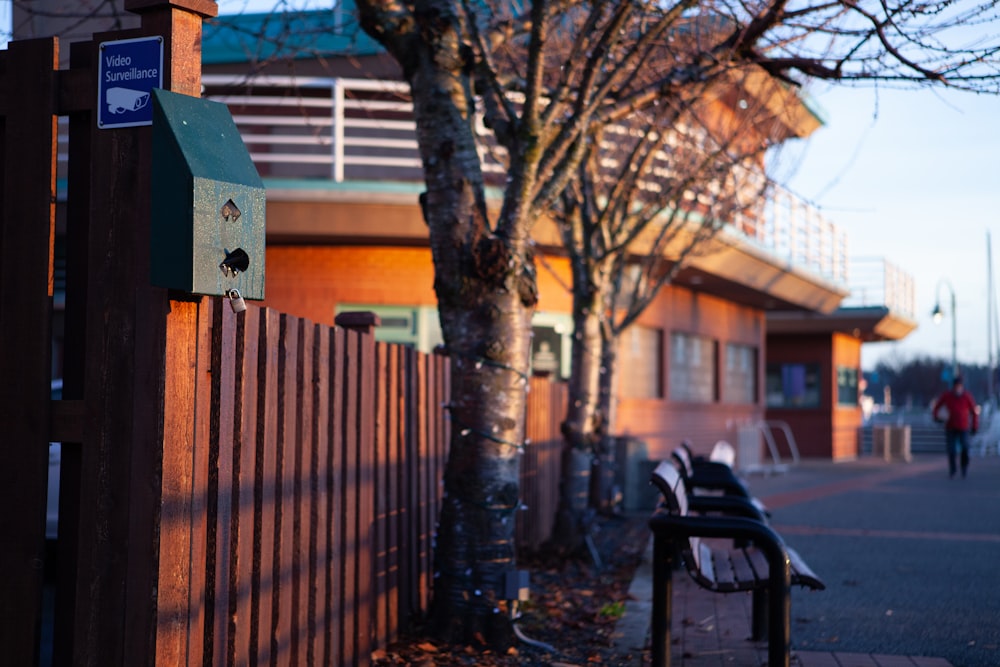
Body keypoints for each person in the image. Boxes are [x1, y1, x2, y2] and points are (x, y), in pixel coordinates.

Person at [931, 376, 979, 478]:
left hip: (963, 427)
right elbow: (937, 407)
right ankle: (953, 469)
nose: (958, 388)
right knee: (951, 449)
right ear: (953, 387)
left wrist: (974, 426)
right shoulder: (947, 396)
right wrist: (936, 417)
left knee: (965, 447)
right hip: (950, 427)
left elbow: (974, 412)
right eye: (956, 386)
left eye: (959, 386)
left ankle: (964, 467)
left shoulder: (966, 396)